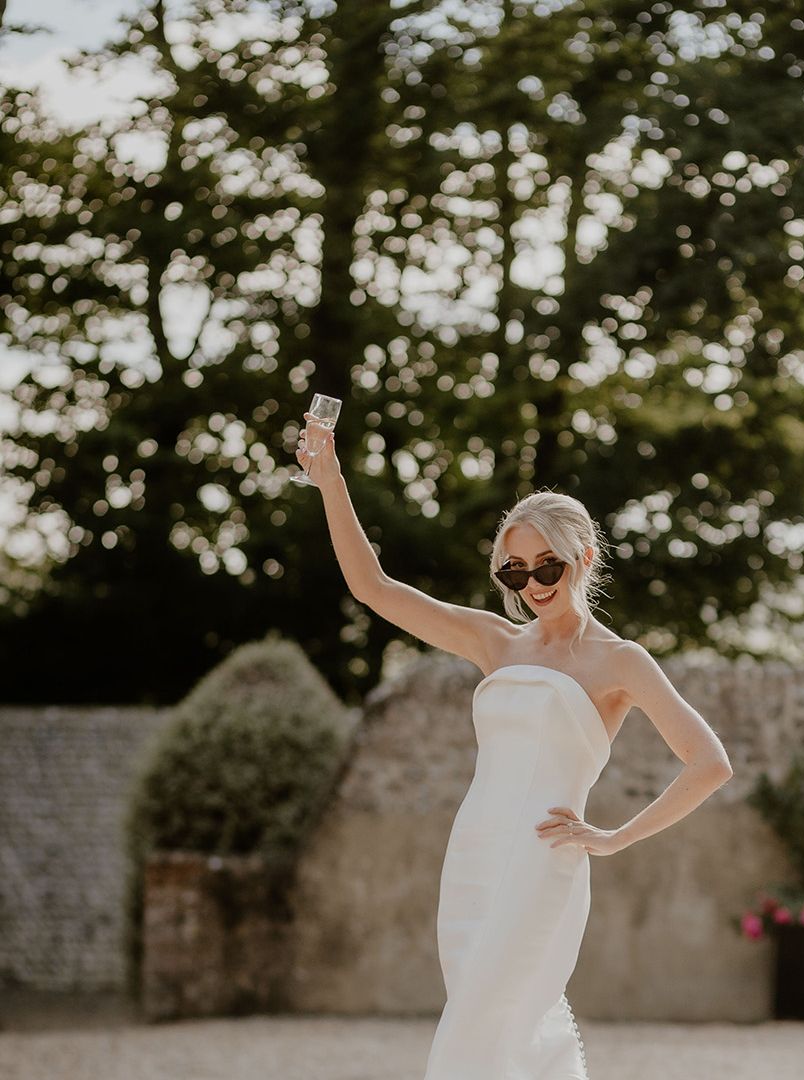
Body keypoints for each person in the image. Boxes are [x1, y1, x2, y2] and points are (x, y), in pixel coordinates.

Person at [295, 412, 733, 1079]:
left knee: (488, 1018)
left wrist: (615, 837)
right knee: (489, 1023)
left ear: (584, 558)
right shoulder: (495, 641)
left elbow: (709, 763)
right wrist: (330, 481)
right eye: (515, 571)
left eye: (548, 564)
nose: (533, 584)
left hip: (543, 859)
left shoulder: (621, 661)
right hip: (473, 852)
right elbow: (372, 588)